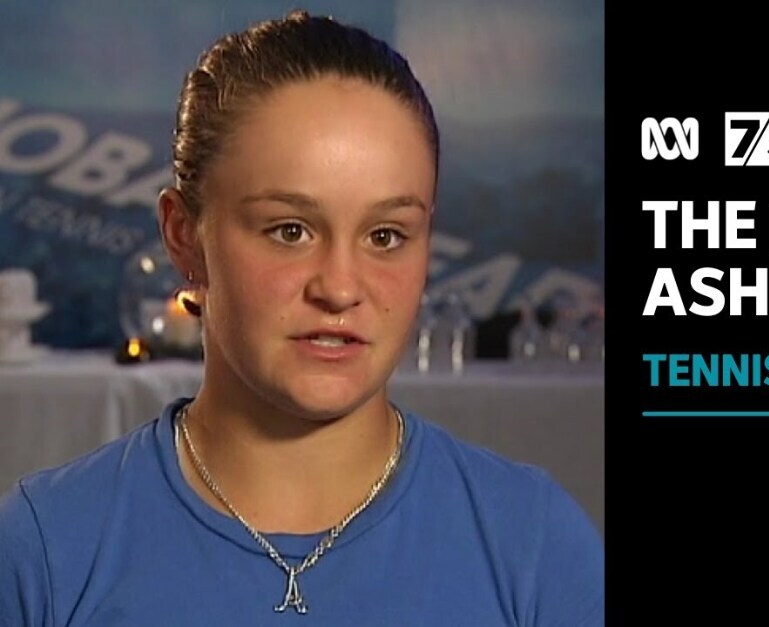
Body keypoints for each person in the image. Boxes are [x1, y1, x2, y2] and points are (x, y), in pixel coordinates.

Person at [0, 10, 604, 625]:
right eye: (290, 230)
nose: (340, 289)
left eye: (386, 235)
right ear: (184, 236)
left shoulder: (535, 547)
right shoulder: (46, 553)